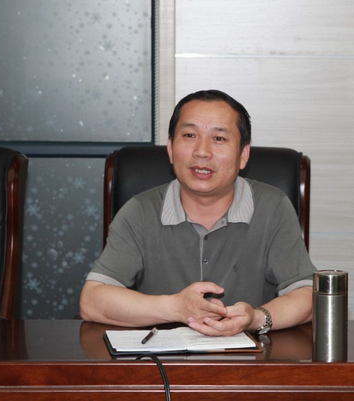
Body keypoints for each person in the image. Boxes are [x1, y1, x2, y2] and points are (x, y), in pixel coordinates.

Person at [80, 89, 316, 336]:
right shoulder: (139, 211)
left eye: (219, 138)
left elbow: (308, 296)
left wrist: (256, 318)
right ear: (170, 149)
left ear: (243, 155)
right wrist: (176, 308)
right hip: (160, 357)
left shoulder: (273, 208)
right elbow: (92, 300)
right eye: (190, 135)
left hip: (248, 356)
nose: (202, 151)